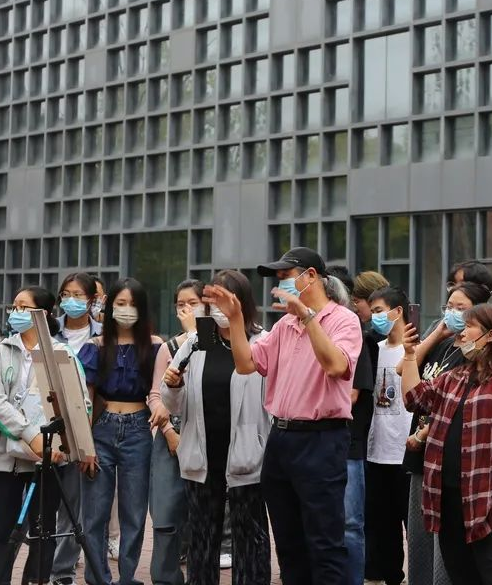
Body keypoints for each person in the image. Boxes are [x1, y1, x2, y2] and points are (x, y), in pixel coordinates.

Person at [204, 247, 362, 585]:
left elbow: (336, 365)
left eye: (287, 277)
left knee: (324, 542)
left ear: (311, 276)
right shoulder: (284, 326)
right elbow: (246, 364)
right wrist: (235, 319)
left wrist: (308, 317)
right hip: (281, 439)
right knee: (289, 544)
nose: (281, 285)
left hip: (322, 438)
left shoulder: (343, 319)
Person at [401, 303, 492, 585]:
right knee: (461, 573)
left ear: (491, 335)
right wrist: (409, 354)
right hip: (447, 495)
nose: (462, 333)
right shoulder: (456, 376)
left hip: (488, 496)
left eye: (469, 327)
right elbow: (414, 398)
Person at [161, 269, 272, 585]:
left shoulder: (261, 341)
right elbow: (173, 402)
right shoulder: (197, 342)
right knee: (201, 536)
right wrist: (173, 385)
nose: (218, 309)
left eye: (225, 301)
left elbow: (271, 400)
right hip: (202, 453)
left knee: (250, 535)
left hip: (247, 454)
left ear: (242, 303)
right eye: (213, 302)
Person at [0, 286, 87, 585]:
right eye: (14, 307)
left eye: (24, 307)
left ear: (44, 313)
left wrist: (63, 444)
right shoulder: (0, 353)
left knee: (43, 533)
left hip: (50, 458)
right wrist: (31, 435)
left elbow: (80, 402)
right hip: (6, 460)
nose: (16, 313)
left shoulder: (63, 354)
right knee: (2, 531)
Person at [403, 282, 491, 585]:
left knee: (446, 546)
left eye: (460, 308)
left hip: (442, 454)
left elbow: (456, 408)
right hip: (421, 455)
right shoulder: (443, 345)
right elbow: (407, 376)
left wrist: (423, 435)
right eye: (448, 307)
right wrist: (435, 334)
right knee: (419, 538)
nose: (452, 313)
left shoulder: (471, 354)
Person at [77, 278, 162, 585]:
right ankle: (98, 578)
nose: (126, 310)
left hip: (139, 429)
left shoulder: (155, 346)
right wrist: (84, 445)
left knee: (134, 513)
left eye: (133, 304)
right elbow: (85, 401)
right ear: (110, 307)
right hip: (102, 429)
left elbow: (161, 392)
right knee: (95, 513)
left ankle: (128, 577)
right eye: (120, 303)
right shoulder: (95, 346)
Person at [145, 280, 202, 585]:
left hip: (205, 437)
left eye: (193, 303)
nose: (186, 309)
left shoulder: (216, 346)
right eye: (181, 304)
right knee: (165, 514)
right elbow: (155, 394)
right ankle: (165, 577)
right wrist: (167, 430)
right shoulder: (168, 348)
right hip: (171, 438)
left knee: (201, 515)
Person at [52, 272, 103, 585]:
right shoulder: (49, 329)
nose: (71, 300)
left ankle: (63, 571)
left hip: (86, 426)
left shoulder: (102, 335)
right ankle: (37, 565)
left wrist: (88, 438)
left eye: (78, 295)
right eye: (66, 294)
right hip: (49, 425)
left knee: (74, 506)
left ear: (91, 300)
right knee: (42, 504)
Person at [361, 286, 414, 585]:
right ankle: (391, 577)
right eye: (372, 312)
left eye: (380, 311)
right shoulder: (373, 349)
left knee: (412, 524)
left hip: (405, 451)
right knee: (383, 525)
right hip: (376, 451)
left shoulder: (415, 349)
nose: (375, 318)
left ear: (398, 311)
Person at [331, 267, 381, 585]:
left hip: (348, 443)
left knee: (350, 523)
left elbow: (351, 395)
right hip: (315, 443)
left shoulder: (355, 336)